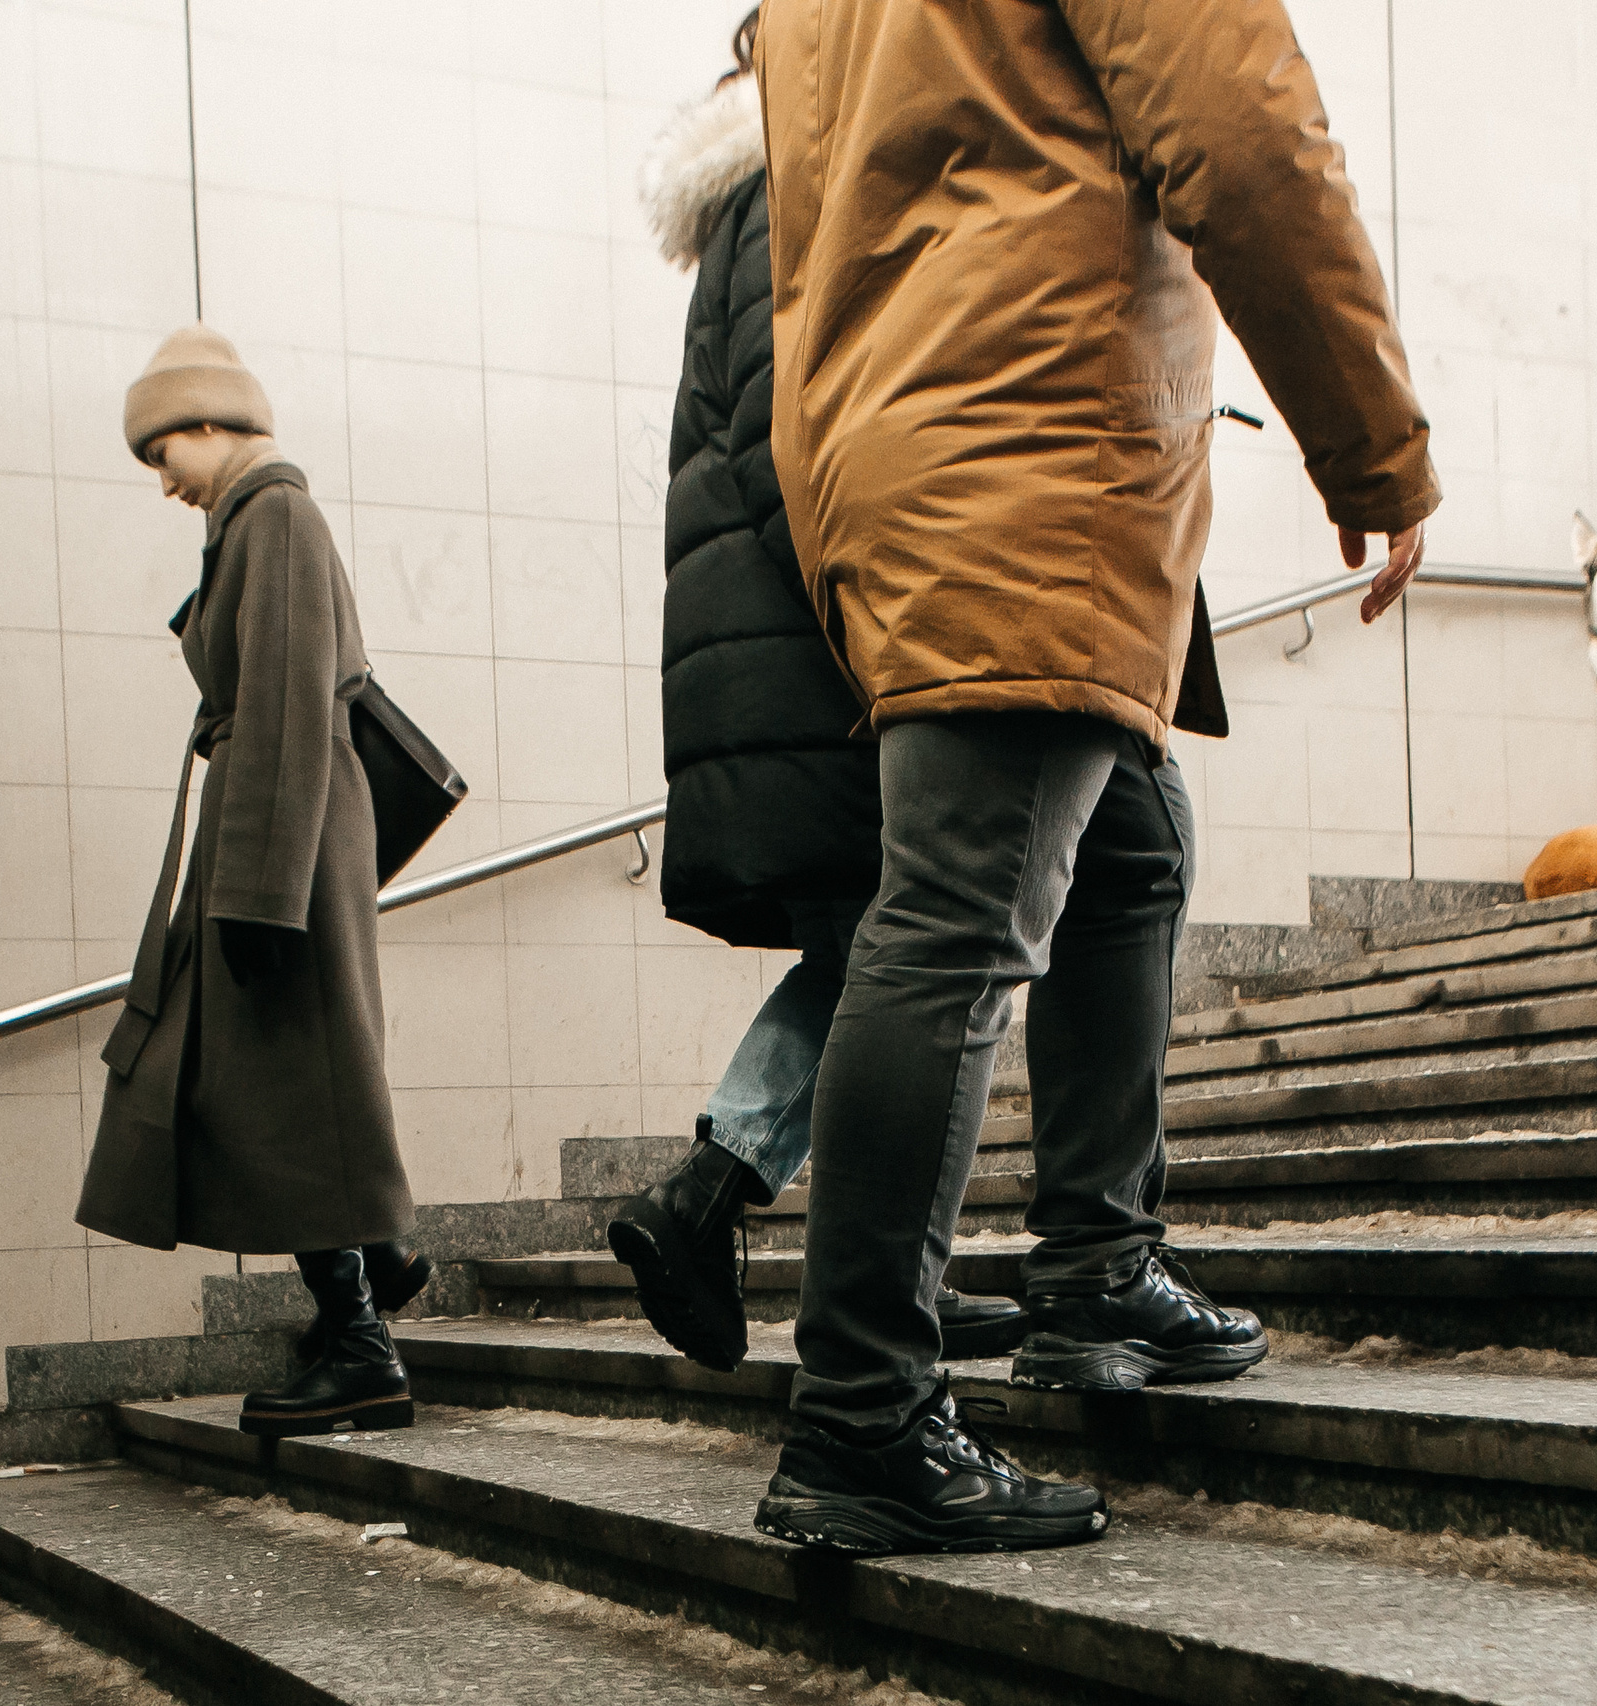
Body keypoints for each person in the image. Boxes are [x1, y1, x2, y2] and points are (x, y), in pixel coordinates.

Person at [750, 0, 1440, 1555]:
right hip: (1025, 435)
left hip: (906, 434)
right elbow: (1250, 143)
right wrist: (1372, 445)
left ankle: (1095, 1265)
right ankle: (860, 1415)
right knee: (956, 919)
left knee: (1129, 846)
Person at [605, 9, 1028, 1375]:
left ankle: (878, 1254)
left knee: (871, 960)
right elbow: (803, 446)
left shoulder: (749, 205)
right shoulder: (795, 192)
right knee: (909, 958)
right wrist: (882, 639)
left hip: (765, 674)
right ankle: (715, 1197)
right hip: (819, 665)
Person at [75, 325, 428, 1438]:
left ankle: (362, 1335)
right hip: (278, 837)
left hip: (284, 844)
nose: (161, 481)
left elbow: (282, 702)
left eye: (159, 452)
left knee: (287, 1088)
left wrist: (261, 895)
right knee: (280, 1084)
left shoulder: (275, 514)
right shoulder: (256, 524)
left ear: (206, 422)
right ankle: (369, 1276)